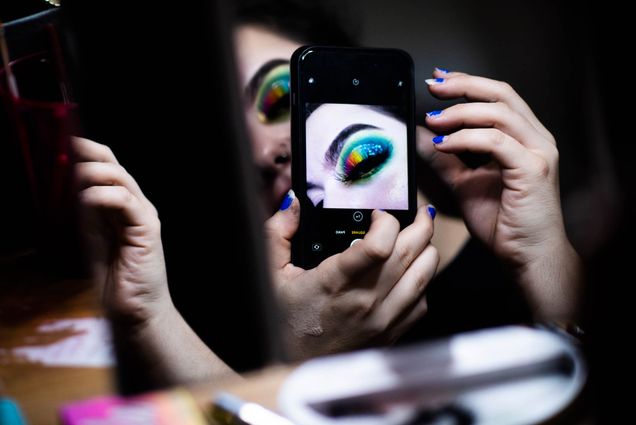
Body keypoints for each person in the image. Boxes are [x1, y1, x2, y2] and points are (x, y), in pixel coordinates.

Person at [74, 0, 582, 385]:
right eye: (227, 132)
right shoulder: (220, 305)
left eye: (282, 97)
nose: (263, 151)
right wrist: (293, 365)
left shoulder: (509, 260)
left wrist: (546, 260)